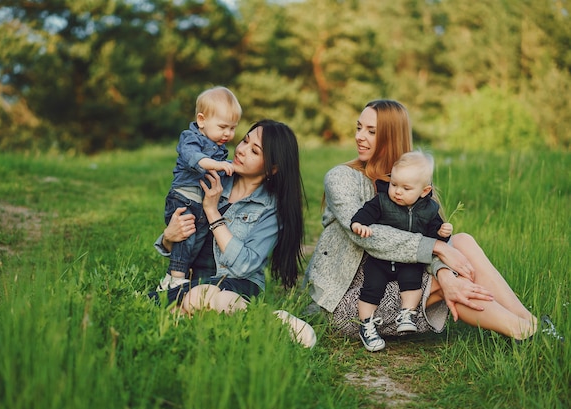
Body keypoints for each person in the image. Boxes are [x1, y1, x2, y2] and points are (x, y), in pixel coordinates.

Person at [304, 99, 563, 349]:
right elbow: (367, 236)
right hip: (349, 299)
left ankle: (533, 326)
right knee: (450, 278)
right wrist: (440, 258)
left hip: (399, 278)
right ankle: (526, 333)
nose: (360, 136)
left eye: (371, 131)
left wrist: (442, 269)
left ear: (392, 137)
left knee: (462, 242)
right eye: (359, 127)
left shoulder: (413, 183)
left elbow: (432, 237)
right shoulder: (341, 178)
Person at [152, 119, 317, 348]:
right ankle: (259, 323)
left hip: (238, 284)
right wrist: (168, 238)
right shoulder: (214, 175)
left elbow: (244, 267)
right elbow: (183, 239)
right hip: (195, 279)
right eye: (245, 140)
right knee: (190, 302)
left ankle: (268, 322)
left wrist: (211, 211)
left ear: (273, 168)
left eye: (254, 150)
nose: (241, 150)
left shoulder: (270, 208)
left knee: (199, 297)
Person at [350, 150, 453, 351]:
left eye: (406, 188)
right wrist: (358, 224)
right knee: (371, 289)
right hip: (380, 259)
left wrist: (442, 233)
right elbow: (364, 213)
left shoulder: (429, 209)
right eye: (394, 184)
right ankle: (366, 325)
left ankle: (407, 313)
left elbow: (433, 239)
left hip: (409, 261)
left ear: (424, 191)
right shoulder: (381, 201)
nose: (397, 191)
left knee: (412, 284)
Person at [158, 86, 241, 292]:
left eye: (232, 128)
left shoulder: (219, 147)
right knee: (185, 236)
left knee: (197, 240)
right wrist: (219, 165)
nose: (228, 133)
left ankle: (170, 278)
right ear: (202, 120)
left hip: (200, 202)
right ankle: (177, 278)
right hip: (183, 198)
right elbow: (194, 158)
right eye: (223, 127)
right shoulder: (190, 138)